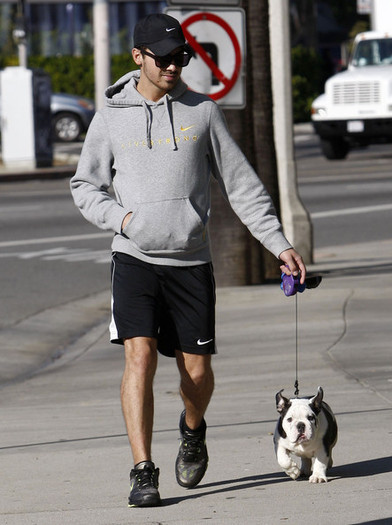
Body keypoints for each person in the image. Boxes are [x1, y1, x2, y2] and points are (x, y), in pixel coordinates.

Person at [70, 13, 306, 508]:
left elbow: (242, 186)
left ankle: (193, 430)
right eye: (164, 57)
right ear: (138, 57)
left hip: (191, 262)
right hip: (133, 255)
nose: (175, 65)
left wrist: (279, 244)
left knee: (196, 374)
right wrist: (125, 221)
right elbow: (84, 186)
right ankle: (142, 470)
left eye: (181, 56)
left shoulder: (203, 112)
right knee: (140, 356)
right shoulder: (111, 114)